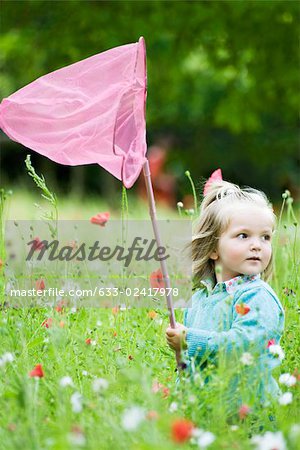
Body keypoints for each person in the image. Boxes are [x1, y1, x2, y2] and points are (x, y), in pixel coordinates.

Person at [166, 178, 285, 408]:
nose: (257, 245)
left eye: (265, 237)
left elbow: (242, 346)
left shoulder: (257, 297)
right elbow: (192, 363)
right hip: (209, 413)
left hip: (250, 414)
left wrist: (188, 339)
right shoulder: (201, 299)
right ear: (212, 248)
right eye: (243, 235)